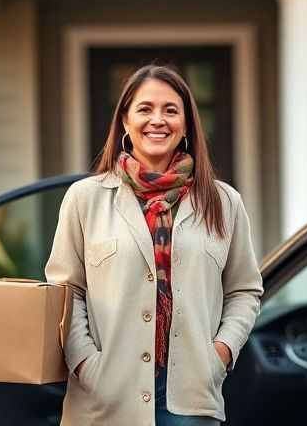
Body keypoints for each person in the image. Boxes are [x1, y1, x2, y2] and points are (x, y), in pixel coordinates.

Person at [45, 64, 263, 426]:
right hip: (105, 399)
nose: (157, 120)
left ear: (187, 125)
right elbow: (65, 291)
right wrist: (86, 363)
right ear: (125, 122)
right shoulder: (85, 199)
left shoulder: (225, 203)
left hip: (190, 399)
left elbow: (244, 290)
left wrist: (219, 354)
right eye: (145, 109)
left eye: (171, 110)